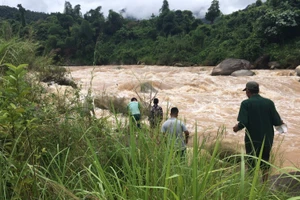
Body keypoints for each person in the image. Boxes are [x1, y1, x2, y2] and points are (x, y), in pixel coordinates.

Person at [233, 81, 284, 182]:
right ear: (258, 90)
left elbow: (243, 123)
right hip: (267, 137)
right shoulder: (269, 103)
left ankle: (252, 184)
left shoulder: (246, 103)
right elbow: (277, 122)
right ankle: (264, 184)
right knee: (265, 161)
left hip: (252, 139)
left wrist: (236, 128)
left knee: (251, 161)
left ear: (248, 91)